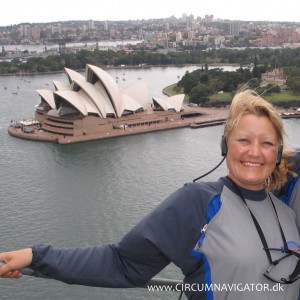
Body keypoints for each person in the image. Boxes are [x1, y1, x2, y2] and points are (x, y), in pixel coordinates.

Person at [1, 89, 300, 300]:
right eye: (244, 140)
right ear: (226, 147)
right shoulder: (198, 203)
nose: (254, 152)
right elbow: (121, 263)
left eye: (267, 143)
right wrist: (37, 257)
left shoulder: (287, 210)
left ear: (277, 154)